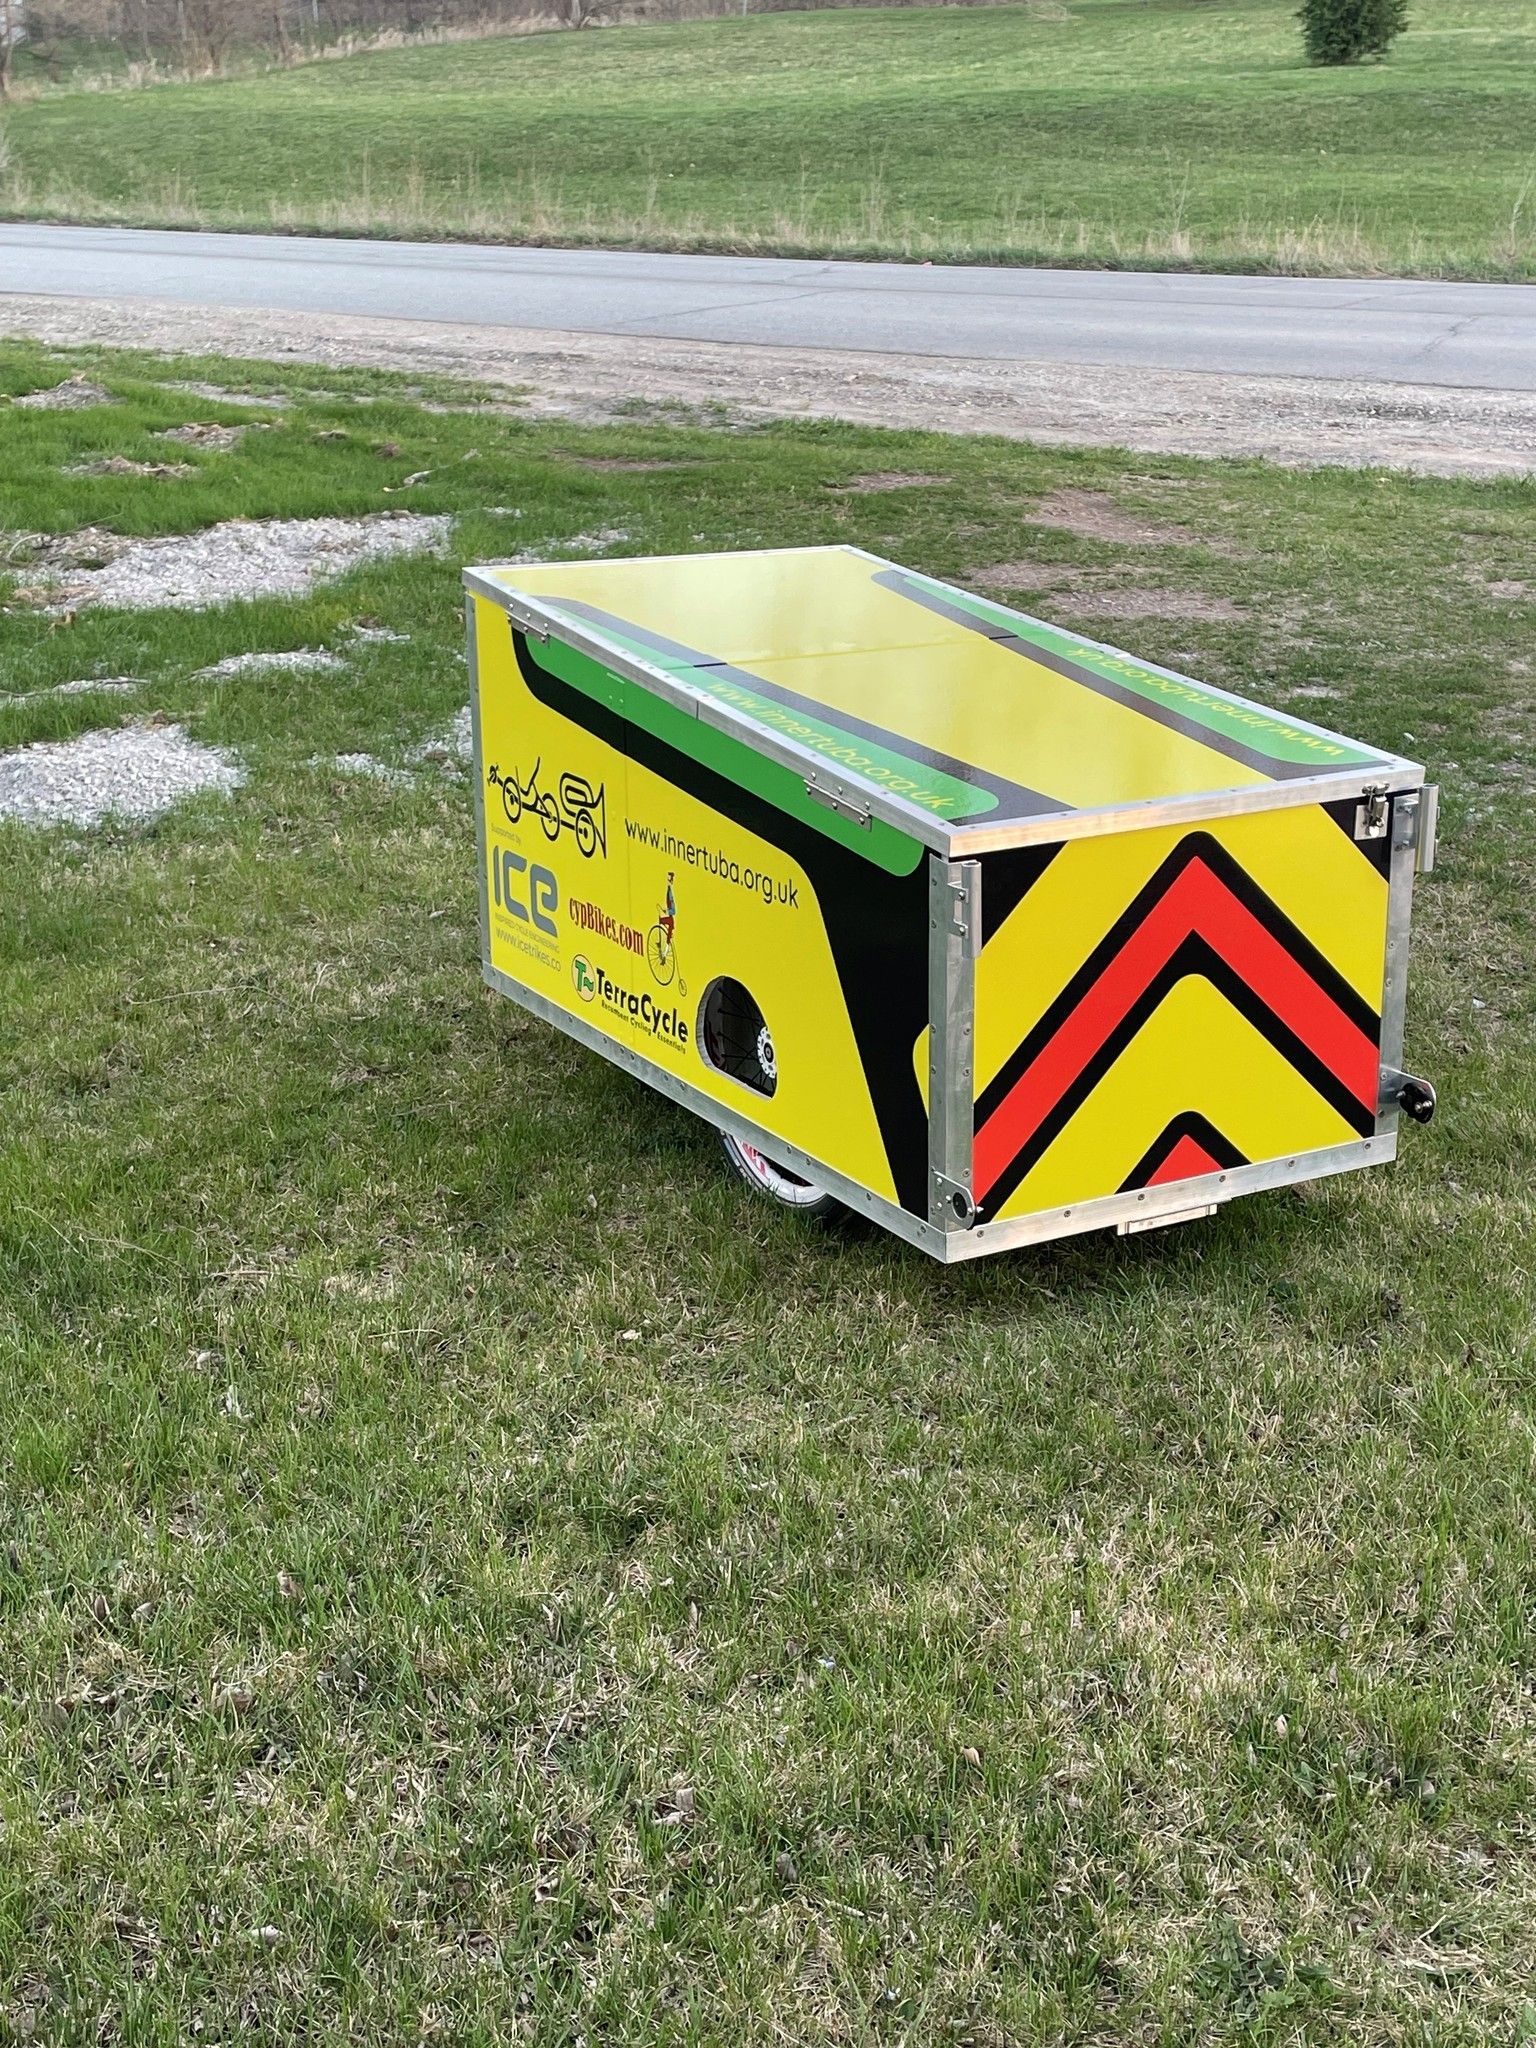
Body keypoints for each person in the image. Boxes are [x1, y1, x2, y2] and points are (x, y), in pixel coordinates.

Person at [659, 871, 676, 949]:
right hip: (670, 918)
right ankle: (660, 943)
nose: (667, 882)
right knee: (660, 921)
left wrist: (666, 911)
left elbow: (673, 910)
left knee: (668, 940)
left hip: (670, 919)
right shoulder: (668, 891)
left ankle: (664, 954)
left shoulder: (670, 894)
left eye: (669, 880)